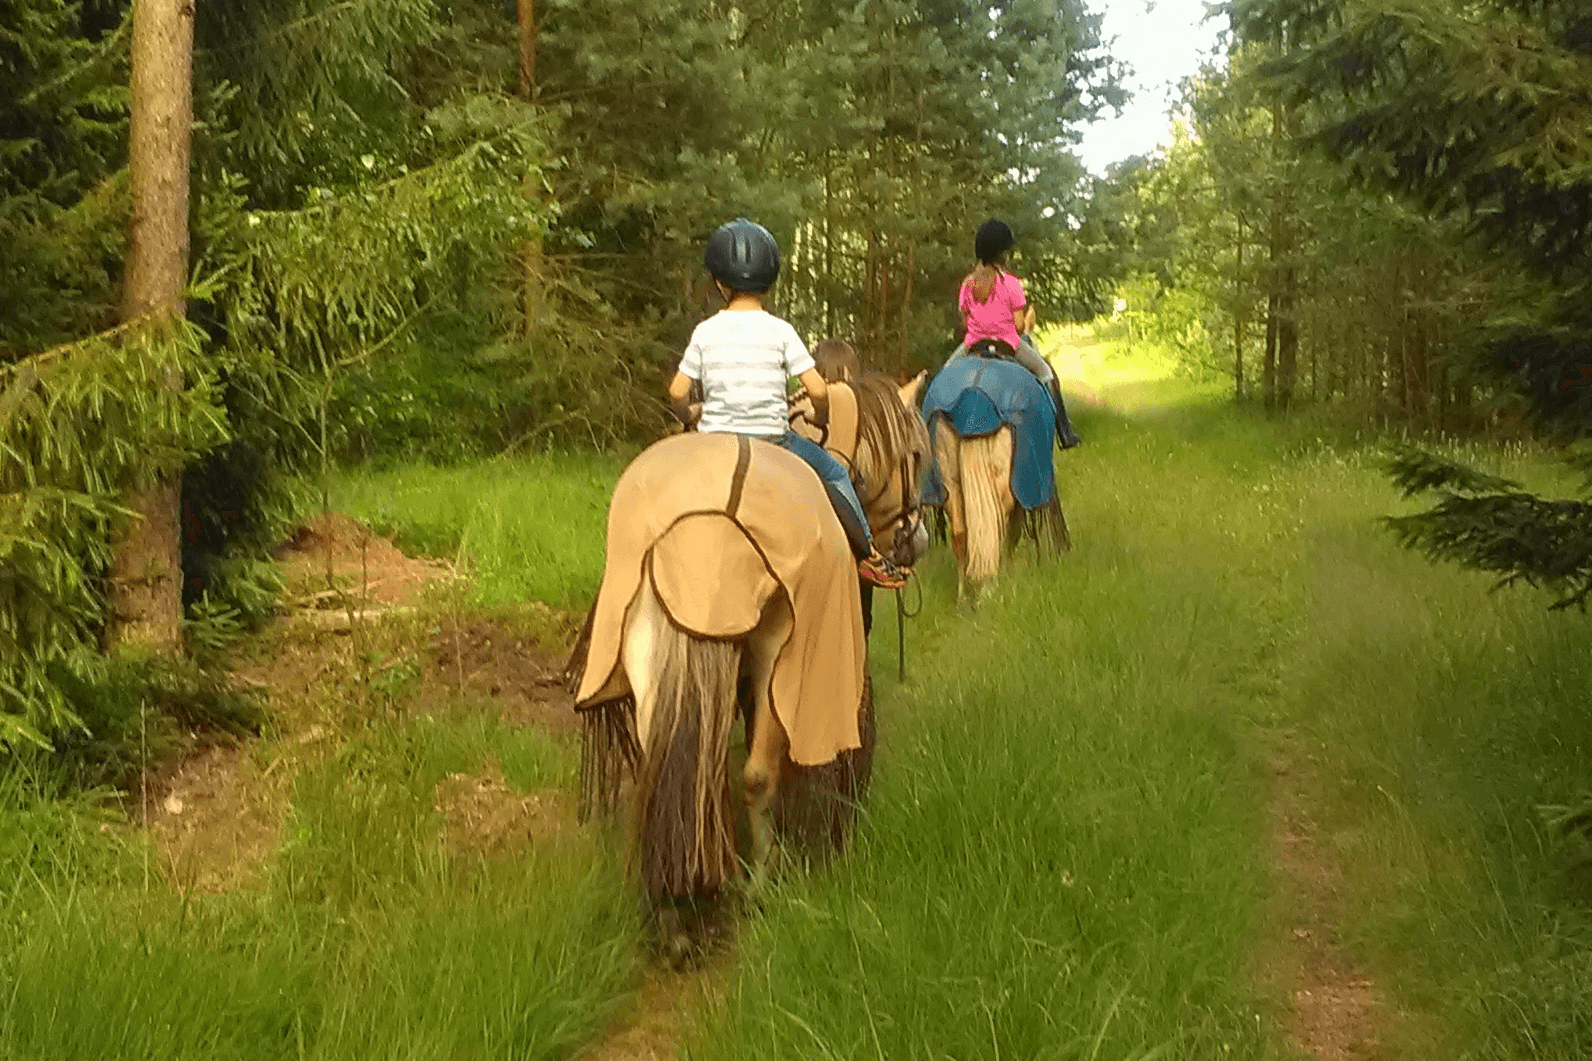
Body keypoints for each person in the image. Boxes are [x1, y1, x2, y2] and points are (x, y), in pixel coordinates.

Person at [666, 218, 910, 590]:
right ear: (768, 282)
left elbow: (677, 391)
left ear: (719, 283)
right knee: (835, 474)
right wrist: (819, 415)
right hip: (773, 438)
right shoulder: (781, 330)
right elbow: (818, 389)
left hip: (716, 440)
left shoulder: (705, 331)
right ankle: (867, 555)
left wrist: (690, 413)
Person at [946, 219, 1081, 449]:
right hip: (1008, 345)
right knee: (1045, 372)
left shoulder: (968, 285)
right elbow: (1019, 324)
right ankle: (1065, 435)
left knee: (945, 375)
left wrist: (982, 326)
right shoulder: (1011, 283)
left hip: (974, 344)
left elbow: (965, 320)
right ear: (1002, 254)